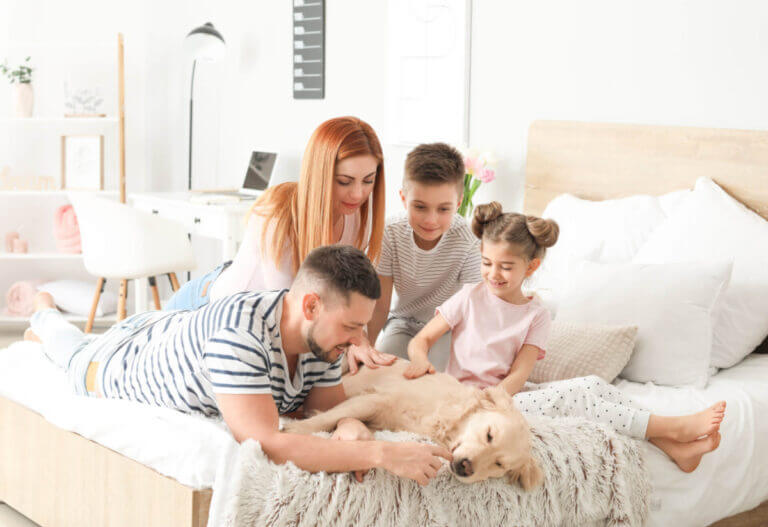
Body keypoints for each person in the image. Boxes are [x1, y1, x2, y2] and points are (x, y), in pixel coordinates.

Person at [24, 245, 450, 486]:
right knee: (70, 348)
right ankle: (43, 311)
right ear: (311, 305)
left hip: (170, 328)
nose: (359, 342)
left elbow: (323, 411)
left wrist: (350, 428)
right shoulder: (240, 335)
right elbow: (266, 441)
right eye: (351, 327)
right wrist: (380, 452)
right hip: (114, 361)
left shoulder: (319, 340)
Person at [404, 201, 726, 473]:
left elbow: (521, 371)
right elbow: (421, 341)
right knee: (575, 398)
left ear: (530, 267)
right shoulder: (468, 297)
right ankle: (674, 428)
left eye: (505, 266)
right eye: (487, 263)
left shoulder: (536, 314)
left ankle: (670, 444)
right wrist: (420, 362)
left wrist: (499, 396)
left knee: (592, 386)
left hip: (505, 395)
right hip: (470, 400)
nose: (493, 274)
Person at [165, 116, 395, 372]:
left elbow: (346, 297)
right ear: (319, 174)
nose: (358, 194)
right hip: (205, 308)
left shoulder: (357, 217)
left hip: (256, 323)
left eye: (368, 180)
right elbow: (289, 317)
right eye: (344, 181)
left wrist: (359, 340)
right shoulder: (278, 214)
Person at [352, 142, 481, 373]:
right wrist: (368, 348)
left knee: (434, 377)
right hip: (402, 323)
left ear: (458, 204)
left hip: (444, 327)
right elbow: (380, 304)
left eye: (443, 209)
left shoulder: (468, 240)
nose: (431, 220)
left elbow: (474, 306)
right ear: (403, 199)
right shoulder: (389, 233)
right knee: (381, 373)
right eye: (420, 207)